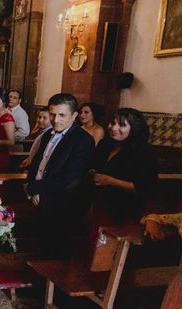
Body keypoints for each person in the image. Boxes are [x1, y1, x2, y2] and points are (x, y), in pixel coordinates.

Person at [25, 93, 95, 258]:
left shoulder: (83, 141)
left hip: (62, 204)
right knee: (37, 249)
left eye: (62, 115)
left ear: (74, 115)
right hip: (39, 199)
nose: (56, 120)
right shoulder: (47, 135)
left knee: (55, 253)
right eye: (52, 114)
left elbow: (71, 177)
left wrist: (34, 188)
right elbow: (36, 163)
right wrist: (30, 186)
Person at [87, 108, 158, 246]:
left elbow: (146, 188)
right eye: (112, 123)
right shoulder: (105, 144)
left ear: (134, 129)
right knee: (96, 246)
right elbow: (93, 166)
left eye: (122, 125)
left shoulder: (144, 152)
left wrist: (110, 181)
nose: (114, 128)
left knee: (112, 249)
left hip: (126, 210)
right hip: (101, 205)